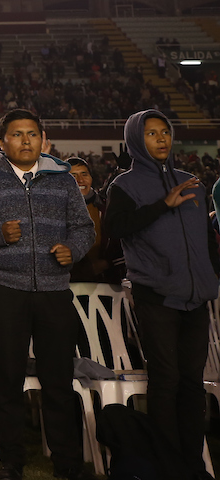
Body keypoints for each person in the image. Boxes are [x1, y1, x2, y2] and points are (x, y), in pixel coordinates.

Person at [0, 109, 95, 480]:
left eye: (32, 134)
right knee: (8, 380)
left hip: (53, 291)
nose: (25, 141)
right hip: (5, 291)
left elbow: (84, 227)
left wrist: (73, 249)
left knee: (58, 381)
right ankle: (11, 462)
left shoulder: (63, 181)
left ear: (42, 138)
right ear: (2, 141)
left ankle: (67, 462)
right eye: (17, 134)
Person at [106, 111, 217, 480]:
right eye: (151, 133)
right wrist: (161, 206)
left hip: (196, 298)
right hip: (156, 295)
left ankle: (193, 465)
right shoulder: (124, 185)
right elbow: (115, 228)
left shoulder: (193, 183)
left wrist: (210, 277)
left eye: (165, 132)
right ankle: (167, 465)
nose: (161, 138)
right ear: (137, 139)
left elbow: (204, 242)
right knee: (166, 381)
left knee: (192, 383)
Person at [66, 157, 123, 283]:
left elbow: (122, 245)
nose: (80, 180)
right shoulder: (54, 212)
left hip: (107, 284)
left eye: (84, 174)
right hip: (69, 285)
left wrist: (107, 263)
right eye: (73, 175)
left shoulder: (106, 208)